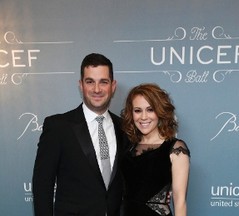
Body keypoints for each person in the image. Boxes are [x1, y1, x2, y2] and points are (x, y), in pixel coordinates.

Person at [32, 53, 128, 216]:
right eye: (90, 82)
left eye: (103, 82)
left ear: (113, 86)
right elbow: (42, 186)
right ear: (81, 85)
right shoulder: (58, 127)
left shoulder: (125, 128)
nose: (97, 89)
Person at [120, 83, 190, 216]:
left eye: (150, 109)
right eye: (138, 110)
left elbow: (180, 203)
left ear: (160, 111)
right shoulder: (128, 146)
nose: (144, 117)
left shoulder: (176, 149)